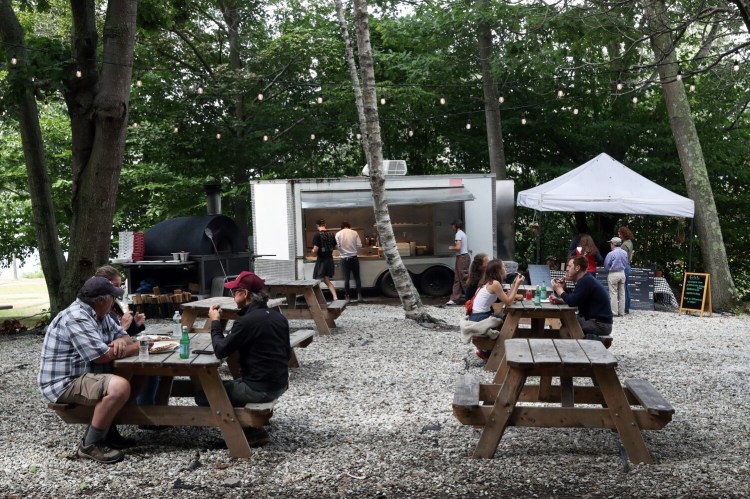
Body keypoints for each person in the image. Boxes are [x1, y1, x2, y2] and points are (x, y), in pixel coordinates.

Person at [37, 276, 142, 464]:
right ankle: (90, 444)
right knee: (118, 387)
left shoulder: (101, 314)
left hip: (86, 373)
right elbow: (101, 356)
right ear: (101, 300)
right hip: (65, 382)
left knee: (138, 376)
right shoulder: (76, 317)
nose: (115, 301)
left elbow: (124, 336)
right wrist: (135, 347)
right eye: (113, 297)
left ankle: (108, 432)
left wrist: (120, 341)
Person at [200, 271, 291, 447]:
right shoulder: (279, 317)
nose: (233, 295)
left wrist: (215, 322)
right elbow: (286, 354)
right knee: (228, 384)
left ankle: (244, 433)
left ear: (245, 293)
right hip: (280, 383)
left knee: (205, 395)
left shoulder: (246, 322)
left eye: (235, 291)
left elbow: (220, 350)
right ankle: (252, 430)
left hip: (260, 388)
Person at [94, 265, 163, 429]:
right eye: (115, 285)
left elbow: (119, 333)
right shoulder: (99, 308)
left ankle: (146, 413)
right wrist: (124, 329)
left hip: (117, 350)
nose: (119, 290)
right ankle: (136, 416)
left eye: (120, 285)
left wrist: (135, 326)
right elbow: (104, 345)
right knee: (145, 367)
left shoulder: (113, 304)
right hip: (106, 359)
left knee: (151, 367)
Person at [468, 259, 525, 361]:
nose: (505, 268)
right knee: (509, 322)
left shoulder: (489, 282)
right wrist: (517, 285)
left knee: (506, 318)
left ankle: (493, 351)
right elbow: (508, 302)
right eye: (503, 267)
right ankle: (495, 352)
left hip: (476, 316)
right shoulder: (495, 284)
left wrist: (514, 283)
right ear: (497, 270)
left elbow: (506, 297)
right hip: (480, 318)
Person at [550, 255, 613, 341]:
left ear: (577, 268)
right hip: (595, 321)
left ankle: (589, 345)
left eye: (569, 266)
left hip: (600, 324)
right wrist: (564, 290)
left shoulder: (586, 281)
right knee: (566, 321)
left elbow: (572, 302)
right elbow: (575, 299)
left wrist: (559, 290)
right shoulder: (585, 280)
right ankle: (589, 341)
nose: (567, 269)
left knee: (565, 330)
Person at [335, 222, 364, 303]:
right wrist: (353, 249)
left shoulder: (338, 234)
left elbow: (337, 246)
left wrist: (342, 251)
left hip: (344, 259)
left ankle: (347, 297)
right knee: (357, 277)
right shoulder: (354, 232)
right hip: (354, 258)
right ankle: (359, 296)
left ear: (341, 227)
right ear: (349, 226)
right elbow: (359, 245)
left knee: (346, 278)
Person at [311, 219, 338, 301]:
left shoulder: (317, 235)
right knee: (326, 280)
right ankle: (335, 297)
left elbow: (315, 249)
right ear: (325, 224)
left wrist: (312, 252)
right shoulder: (331, 234)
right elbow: (336, 247)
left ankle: (316, 300)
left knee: (316, 280)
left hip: (321, 260)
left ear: (317, 225)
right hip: (329, 259)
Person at [446, 219, 470, 305]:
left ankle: (471, 297)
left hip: (462, 257)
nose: (452, 227)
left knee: (464, 278)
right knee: (457, 279)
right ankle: (454, 299)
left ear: (456, 226)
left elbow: (458, 247)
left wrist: (451, 247)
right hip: (462, 257)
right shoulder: (461, 233)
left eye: (452, 225)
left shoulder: (458, 234)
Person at [604, 237, 629, 317]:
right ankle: (621, 312)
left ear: (613, 244)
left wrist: (609, 271)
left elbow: (606, 265)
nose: (610, 245)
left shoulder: (610, 254)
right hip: (622, 273)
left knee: (613, 293)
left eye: (611, 243)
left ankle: (614, 312)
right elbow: (626, 263)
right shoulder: (624, 253)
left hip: (613, 273)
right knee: (622, 293)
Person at [618, 226, 635, 314]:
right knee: (626, 288)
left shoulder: (624, 245)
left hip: (624, 267)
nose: (619, 235)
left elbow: (622, 258)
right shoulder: (630, 242)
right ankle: (627, 307)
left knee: (623, 288)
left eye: (620, 233)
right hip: (628, 266)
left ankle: (625, 308)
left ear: (623, 234)